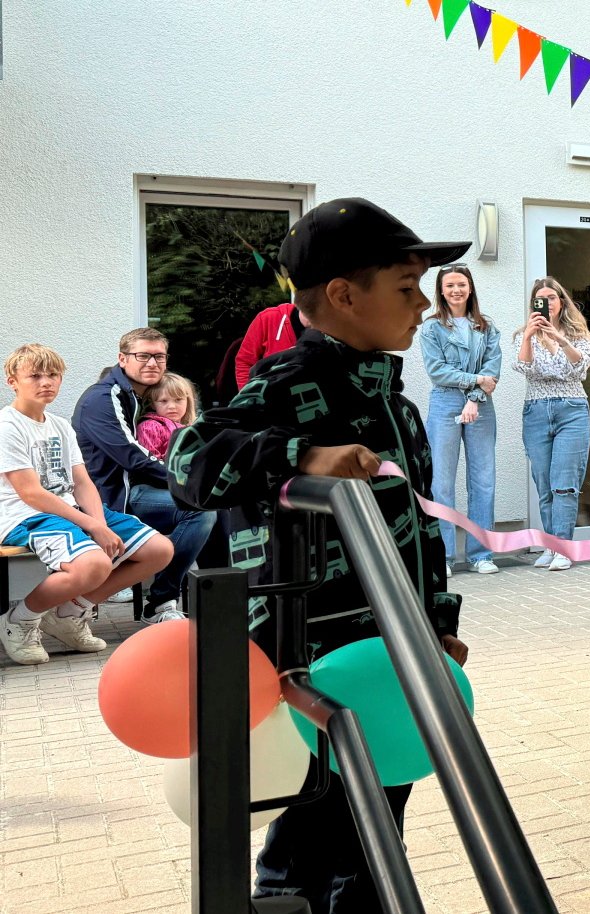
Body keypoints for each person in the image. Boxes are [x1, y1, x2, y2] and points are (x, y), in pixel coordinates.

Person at [169, 197, 469, 913]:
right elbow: (190, 461)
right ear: (341, 296)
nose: (424, 305)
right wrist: (301, 456)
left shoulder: (396, 405)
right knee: (315, 833)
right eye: (405, 288)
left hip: (393, 659)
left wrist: (437, 620)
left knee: (376, 830)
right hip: (320, 673)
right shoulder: (289, 383)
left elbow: (419, 532)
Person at [0, 344, 173, 664]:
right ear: (13, 381)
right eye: (34, 376)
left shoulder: (59, 425)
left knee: (158, 550)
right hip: (26, 515)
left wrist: (100, 521)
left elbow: (81, 482)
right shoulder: (7, 426)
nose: (46, 382)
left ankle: (67, 615)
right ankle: (18, 622)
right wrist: (93, 525)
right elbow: (31, 494)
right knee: (94, 564)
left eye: (53, 375)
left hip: (68, 509)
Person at [72, 328, 216, 623]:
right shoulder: (104, 398)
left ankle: (224, 598)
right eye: (143, 356)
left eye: (159, 356)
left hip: (138, 490)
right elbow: (133, 457)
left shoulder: (134, 396)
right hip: (112, 499)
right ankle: (161, 602)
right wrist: (188, 482)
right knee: (199, 510)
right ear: (122, 359)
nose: (152, 362)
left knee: (221, 505)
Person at [420, 264, 503, 575]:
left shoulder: (486, 327)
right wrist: (476, 382)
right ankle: (443, 556)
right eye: (450, 285)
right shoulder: (431, 328)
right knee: (441, 483)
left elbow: (492, 374)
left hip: (480, 406)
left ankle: (481, 555)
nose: (456, 290)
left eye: (462, 284)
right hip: (444, 402)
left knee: (483, 481)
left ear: (471, 289)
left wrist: (475, 397)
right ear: (441, 290)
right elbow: (437, 371)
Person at [513, 277, 590, 571]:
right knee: (544, 484)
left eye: (552, 298)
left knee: (565, 485)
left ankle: (563, 547)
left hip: (571, 410)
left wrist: (558, 340)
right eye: (541, 299)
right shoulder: (527, 334)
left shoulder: (577, 333)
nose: (547, 303)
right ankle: (550, 545)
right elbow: (523, 367)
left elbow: (578, 368)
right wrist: (529, 336)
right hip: (535, 411)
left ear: (562, 302)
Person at [233, 301, 305, 389]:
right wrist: (248, 396)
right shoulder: (269, 318)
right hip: (269, 397)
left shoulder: (324, 327)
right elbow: (244, 362)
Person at [136, 372, 198, 461]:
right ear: (153, 404)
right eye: (164, 401)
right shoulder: (150, 427)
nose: (172, 406)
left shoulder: (192, 427)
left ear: (187, 401)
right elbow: (150, 463)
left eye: (178, 399)